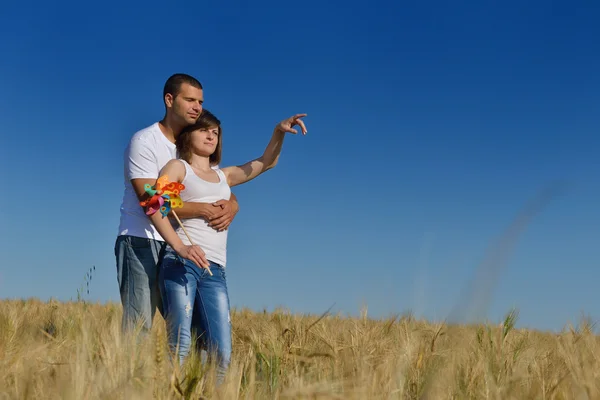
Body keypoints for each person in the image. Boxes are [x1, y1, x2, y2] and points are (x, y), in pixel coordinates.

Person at [145, 108, 308, 382]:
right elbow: (155, 203)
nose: (211, 135)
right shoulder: (178, 168)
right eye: (204, 130)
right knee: (181, 345)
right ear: (188, 135)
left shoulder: (224, 176)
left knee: (222, 352)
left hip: (215, 270)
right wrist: (202, 210)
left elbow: (266, 162)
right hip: (181, 260)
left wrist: (278, 132)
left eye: (216, 132)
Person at [115, 73, 240, 334]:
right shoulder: (145, 141)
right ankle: (126, 376)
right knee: (140, 328)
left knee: (197, 332)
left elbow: (216, 183)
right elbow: (152, 201)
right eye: (190, 100)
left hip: (181, 248)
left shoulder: (192, 143)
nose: (198, 107)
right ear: (169, 100)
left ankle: (184, 377)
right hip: (142, 240)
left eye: (201, 101)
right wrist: (181, 244)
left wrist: (233, 205)